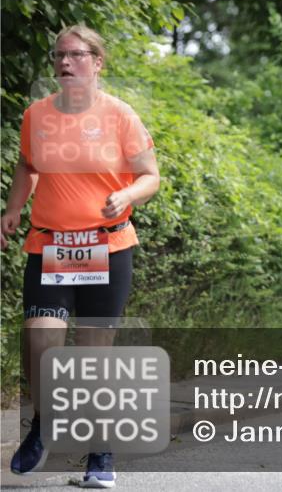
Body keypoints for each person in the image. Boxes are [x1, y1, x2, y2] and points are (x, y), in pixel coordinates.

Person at [3, 25, 160, 487]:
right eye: (58, 56)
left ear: (97, 62)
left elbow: (150, 175)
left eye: (75, 55)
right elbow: (28, 165)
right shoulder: (36, 116)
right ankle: (45, 422)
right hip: (51, 244)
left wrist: (127, 193)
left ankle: (101, 453)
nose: (65, 63)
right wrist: (13, 208)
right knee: (39, 342)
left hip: (106, 245)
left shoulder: (120, 115)